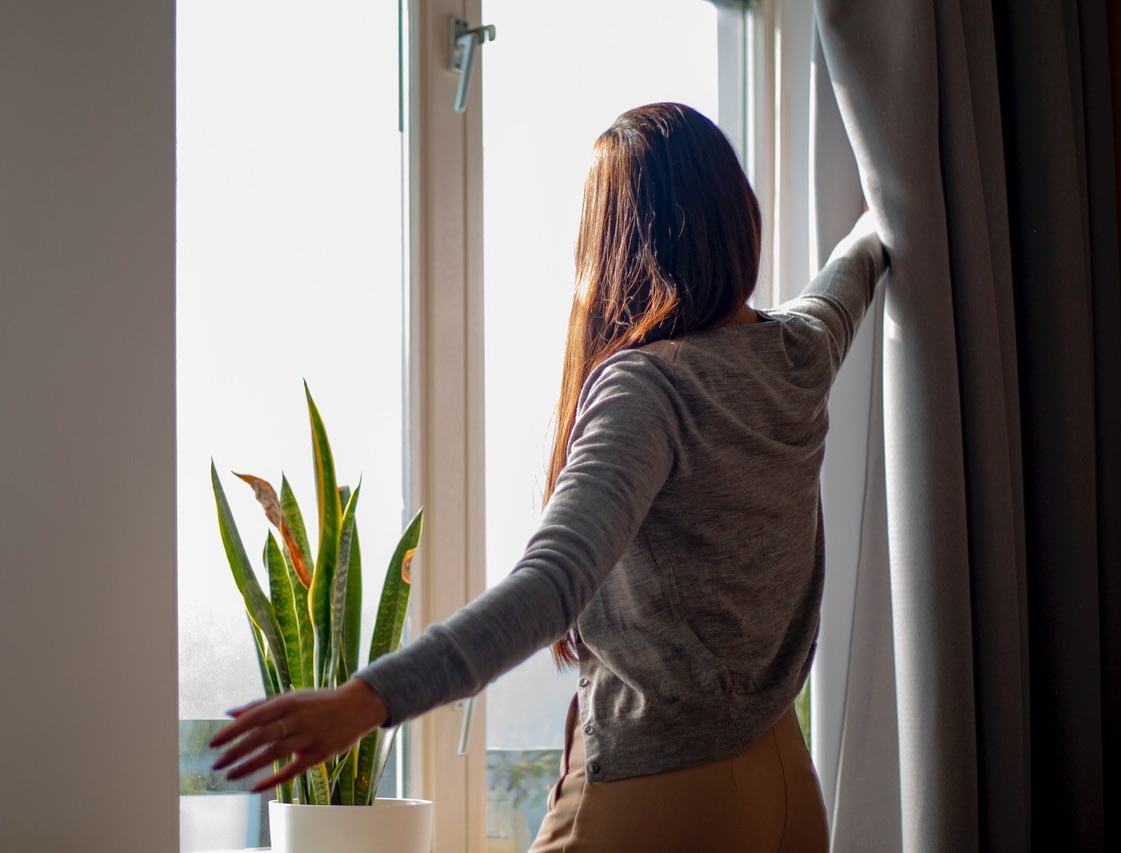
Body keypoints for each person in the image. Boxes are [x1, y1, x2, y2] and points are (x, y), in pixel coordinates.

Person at [210, 102, 888, 851]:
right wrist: (893, 199)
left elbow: (551, 584)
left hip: (660, 800)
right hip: (787, 789)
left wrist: (367, 699)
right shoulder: (799, 348)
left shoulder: (648, 388)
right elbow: (852, 266)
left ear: (619, 244)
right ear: (738, 217)